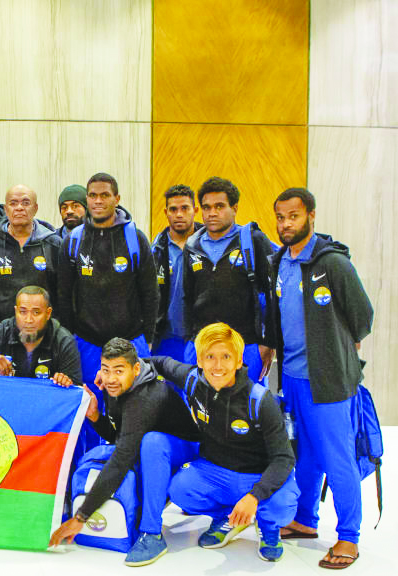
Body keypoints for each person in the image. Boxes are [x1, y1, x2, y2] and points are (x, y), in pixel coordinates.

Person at [268, 188, 373, 569]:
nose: (285, 225)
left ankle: (349, 537)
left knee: (336, 456)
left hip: (327, 381)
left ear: (311, 216)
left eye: (293, 216)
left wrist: (341, 349)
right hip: (292, 379)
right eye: (280, 217)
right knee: (304, 454)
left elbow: (363, 317)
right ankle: (305, 520)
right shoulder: (279, 261)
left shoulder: (333, 263)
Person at [152, 323, 299, 563]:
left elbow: (284, 458)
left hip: (258, 474)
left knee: (282, 507)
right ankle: (227, 519)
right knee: (180, 488)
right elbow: (161, 363)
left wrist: (255, 496)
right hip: (217, 471)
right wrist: (126, 365)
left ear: (239, 361)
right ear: (199, 360)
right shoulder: (192, 380)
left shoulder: (259, 400)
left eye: (226, 357)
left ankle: (268, 527)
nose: (218, 365)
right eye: (210, 357)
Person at [48, 338, 199, 566]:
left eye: (118, 371)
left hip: (187, 453)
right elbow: (119, 437)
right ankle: (153, 494)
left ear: (136, 369)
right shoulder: (116, 386)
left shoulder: (145, 398)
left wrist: (81, 516)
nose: (110, 379)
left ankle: (152, 534)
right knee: (129, 447)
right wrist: (96, 416)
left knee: (151, 442)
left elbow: (122, 458)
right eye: (105, 370)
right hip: (150, 453)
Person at [56, 172, 158, 447]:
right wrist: (69, 339)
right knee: (88, 410)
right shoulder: (73, 240)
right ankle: (89, 470)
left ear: (117, 199)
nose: (98, 201)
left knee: (136, 409)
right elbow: (64, 296)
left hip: (131, 340)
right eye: (93, 196)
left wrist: (147, 337)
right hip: (87, 343)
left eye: (104, 195)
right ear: (86, 199)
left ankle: (130, 467)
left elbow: (151, 294)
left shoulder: (135, 239)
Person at [182, 177, 276, 383]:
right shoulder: (192, 246)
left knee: (246, 412)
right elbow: (188, 297)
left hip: (245, 345)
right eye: (206, 207)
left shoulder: (253, 241)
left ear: (234, 208)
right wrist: (190, 342)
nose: (212, 213)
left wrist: (269, 343)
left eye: (219, 206)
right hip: (202, 345)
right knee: (203, 411)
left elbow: (273, 295)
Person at [0, 184, 61, 329]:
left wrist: (58, 324)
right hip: (1, 333)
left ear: (35, 208)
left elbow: (66, 292)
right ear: (6, 209)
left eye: (26, 203)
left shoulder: (53, 244)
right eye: (13, 203)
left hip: (44, 334)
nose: (19, 208)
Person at [0, 286, 80, 384]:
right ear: (16, 311)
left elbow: (76, 389)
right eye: (23, 312)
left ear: (48, 313)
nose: (28, 320)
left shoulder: (64, 340)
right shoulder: (2, 330)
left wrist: (64, 382)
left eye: (36, 313)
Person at [151, 184, 202, 361]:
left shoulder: (208, 246)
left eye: (185, 208)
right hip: (165, 339)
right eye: (173, 209)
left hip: (200, 338)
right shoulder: (155, 251)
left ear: (195, 210)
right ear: (166, 212)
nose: (179, 214)